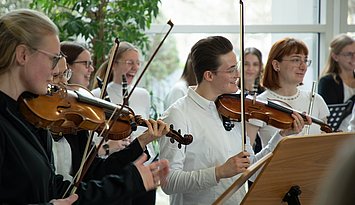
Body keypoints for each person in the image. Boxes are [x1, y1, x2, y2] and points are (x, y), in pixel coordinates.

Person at [0, 9, 169, 205]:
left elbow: (56, 189)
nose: (56, 70)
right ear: (22, 55)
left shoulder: (26, 118)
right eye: (53, 58)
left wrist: (129, 182)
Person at [158, 36, 308, 205]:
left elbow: (252, 169)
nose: (238, 75)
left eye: (236, 67)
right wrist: (219, 172)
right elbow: (168, 182)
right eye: (230, 70)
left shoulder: (234, 109)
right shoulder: (177, 115)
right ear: (209, 75)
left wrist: (282, 136)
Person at [90, 41, 158, 205]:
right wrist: (111, 144)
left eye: (137, 63)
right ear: (114, 65)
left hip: (143, 166)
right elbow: (92, 141)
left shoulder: (143, 95)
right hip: (115, 169)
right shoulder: (96, 95)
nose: (135, 68)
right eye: (129, 63)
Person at [247, 37, 329, 148]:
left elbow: (326, 144)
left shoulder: (316, 100)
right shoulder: (259, 105)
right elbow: (248, 157)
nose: (303, 66)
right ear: (276, 65)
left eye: (305, 60)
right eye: (296, 60)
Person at [318, 34, 355, 131]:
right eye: (349, 54)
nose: (354, 57)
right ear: (335, 56)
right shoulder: (327, 82)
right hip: (340, 136)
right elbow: (328, 118)